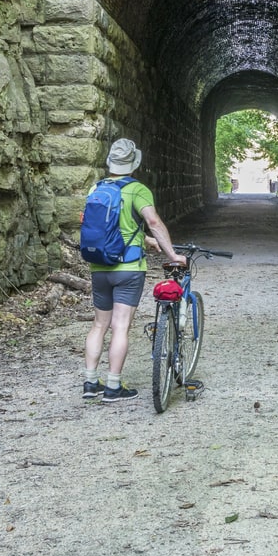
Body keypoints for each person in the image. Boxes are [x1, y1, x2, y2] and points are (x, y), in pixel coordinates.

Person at [82, 138, 186, 402]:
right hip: (128, 268)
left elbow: (108, 227)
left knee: (99, 324)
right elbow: (152, 221)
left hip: (99, 265)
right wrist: (171, 254)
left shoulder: (96, 188)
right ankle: (113, 386)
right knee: (120, 326)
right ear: (133, 164)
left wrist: (144, 239)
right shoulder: (137, 189)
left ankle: (90, 382)